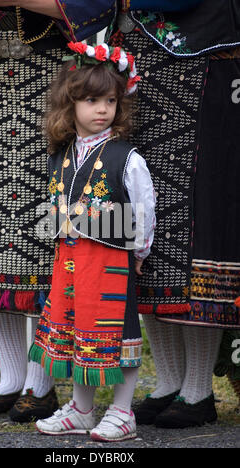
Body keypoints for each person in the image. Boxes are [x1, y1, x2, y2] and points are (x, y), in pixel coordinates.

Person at [0, 0, 116, 422]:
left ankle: (41, 385)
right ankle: (10, 378)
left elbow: (97, 6)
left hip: (48, 79)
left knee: (41, 232)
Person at [108, 0, 240, 428]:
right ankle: (167, 383)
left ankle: (198, 391)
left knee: (199, 229)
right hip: (142, 72)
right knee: (150, 233)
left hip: (202, 66)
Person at [28, 41, 156, 442]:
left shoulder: (126, 157)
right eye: (91, 100)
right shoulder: (61, 153)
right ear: (70, 104)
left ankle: (122, 412)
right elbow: (55, 205)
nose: (102, 109)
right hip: (69, 261)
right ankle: (82, 410)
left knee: (117, 334)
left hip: (112, 263)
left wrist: (139, 251)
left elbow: (144, 206)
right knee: (76, 330)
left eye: (110, 100)